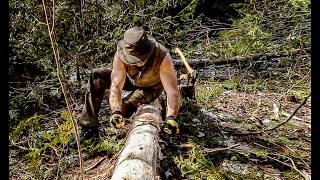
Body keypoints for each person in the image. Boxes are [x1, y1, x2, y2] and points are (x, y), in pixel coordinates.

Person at [77, 27, 181, 142]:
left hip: (150, 88)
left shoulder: (162, 56)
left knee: (124, 108)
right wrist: (116, 112)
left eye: (142, 59)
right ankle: (89, 128)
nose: (139, 62)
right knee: (97, 75)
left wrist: (171, 117)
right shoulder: (121, 55)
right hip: (132, 81)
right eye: (134, 60)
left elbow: (172, 91)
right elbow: (116, 86)